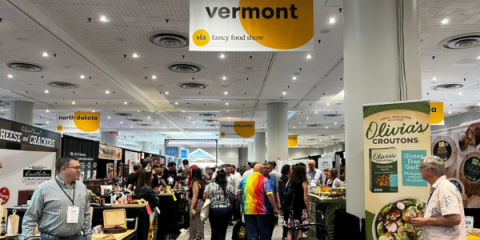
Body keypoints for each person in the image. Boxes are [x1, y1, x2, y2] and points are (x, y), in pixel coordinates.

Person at [22, 156, 91, 240]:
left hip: (78, 237)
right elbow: (30, 217)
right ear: (63, 169)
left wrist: (88, 236)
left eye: (79, 167)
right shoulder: (44, 188)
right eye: (76, 168)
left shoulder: (82, 188)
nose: (79, 170)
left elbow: (86, 215)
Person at [411, 156, 466, 239]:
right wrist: (424, 218)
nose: (420, 171)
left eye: (421, 167)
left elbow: (454, 219)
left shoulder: (445, 188)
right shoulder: (438, 187)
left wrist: (426, 221)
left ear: (429, 170)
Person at [237, 164, 279, 240]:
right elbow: (270, 194)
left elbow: (238, 194)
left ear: (253, 170)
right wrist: (275, 207)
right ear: (262, 170)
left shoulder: (244, 180)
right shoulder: (264, 180)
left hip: (248, 210)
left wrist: (242, 204)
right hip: (261, 211)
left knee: (251, 234)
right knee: (264, 233)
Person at [204, 169, 232, 240]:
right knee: (222, 231)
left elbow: (204, 196)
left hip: (214, 210)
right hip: (226, 210)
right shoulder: (228, 186)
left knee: (214, 231)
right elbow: (232, 197)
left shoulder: (210, 185)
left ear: (216, 176)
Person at [283, 164, 309, 240]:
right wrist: (308, 210)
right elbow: (305, 198)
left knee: (290, 230)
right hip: (299, 208)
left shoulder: (289, 181)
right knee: (299, 229)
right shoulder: (304, 182)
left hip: (289, 209)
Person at [262, 162, 281, 240]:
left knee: (272, 225)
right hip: (262, 207)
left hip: (272, 206)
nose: (265, 170)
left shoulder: (272, 178)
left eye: (267, 168)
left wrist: (278, 202)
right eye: (264, 168)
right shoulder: (259, 179)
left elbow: (276, 191)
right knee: (263, 227)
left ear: (270, 169)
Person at [189, 167, 205, 240]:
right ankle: (199, 236)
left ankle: (197, 237)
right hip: (200, 203)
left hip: (197, 204)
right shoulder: (200, 181)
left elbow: (195, 196)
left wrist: (191, 208)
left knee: (196, 222)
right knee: (199, 222)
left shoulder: (195, 183)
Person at [278, 164, 292, 240]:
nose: (292, 170)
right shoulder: (287, 179)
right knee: (287, 219)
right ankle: (286, 235)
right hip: (286, 200)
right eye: (291, 169)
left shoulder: (281, 178)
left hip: (282, 199)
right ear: (288, 171)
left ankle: (284, 235)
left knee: (285, 219)